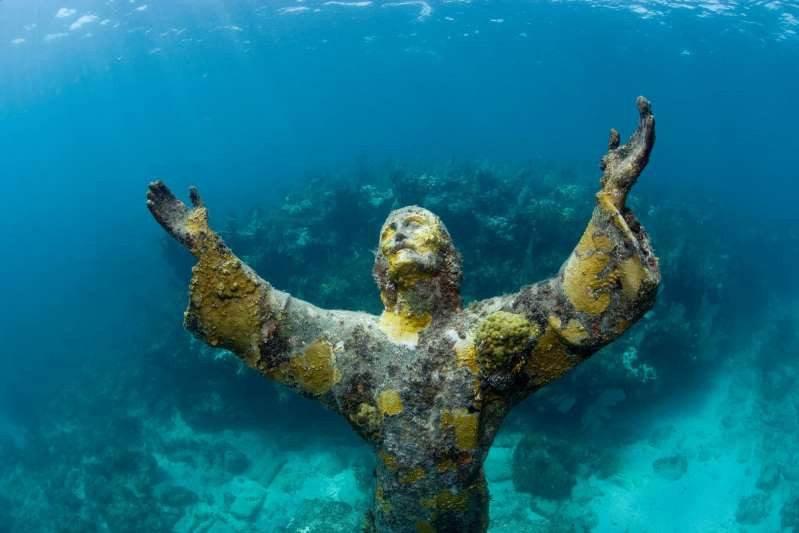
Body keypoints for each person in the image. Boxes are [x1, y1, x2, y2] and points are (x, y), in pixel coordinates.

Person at [146, 97, 659, 532]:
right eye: (389, 232)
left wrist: (611, 194)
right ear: (380, 266)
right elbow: (269, 322)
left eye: (416, 226)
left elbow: (572, 307)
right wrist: (207, 248)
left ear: (448, 255)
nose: (400, 234)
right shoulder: (350, 344)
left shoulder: (490, 335)